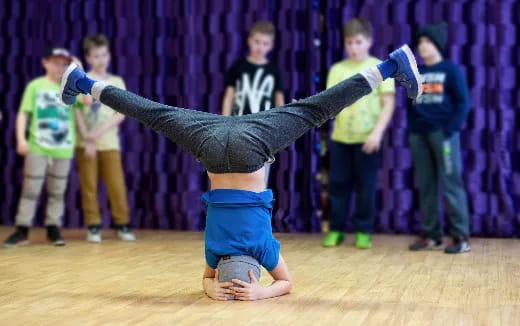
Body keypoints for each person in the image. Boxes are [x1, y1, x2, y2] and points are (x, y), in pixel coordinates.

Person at [60, 44, 421, 300]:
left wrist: (260, 293)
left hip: (251, 145)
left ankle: (390, 66)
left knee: (317, 109)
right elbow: (205, 281)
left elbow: (286, 284)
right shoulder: (213, 253)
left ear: (256, 269)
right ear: (221, 271)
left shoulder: (265, 251)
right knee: (152, 112)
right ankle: (81, 80)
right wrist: (212, 289)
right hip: (213, 143)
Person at [322, 18, 396, 249]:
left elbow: (389, 103)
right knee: (338, 185)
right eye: (349, 42)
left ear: (369, 42)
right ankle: (336, 229)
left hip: (368, 140)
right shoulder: (337, 70)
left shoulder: (379, 67)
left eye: (358, 42)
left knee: (366, 187)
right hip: (341, 139)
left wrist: (377, 134)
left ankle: (364, 230)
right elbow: (329, 102)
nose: (353, 47)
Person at [407, 23, 472, 254]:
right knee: (426, 186)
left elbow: (464, 103)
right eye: (420, 43)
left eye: (428, 42)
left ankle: (460, 236)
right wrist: (413, 130)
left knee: (451, 183)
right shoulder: (418, 73)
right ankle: (432, 234)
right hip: (419, 137)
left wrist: (448, 130)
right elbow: (411, 104)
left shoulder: (450, 70)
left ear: (438, 44)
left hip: (443, 136)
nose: (423, 47)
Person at [4, 47, 77, 248]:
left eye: (64, 63)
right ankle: (22, 229)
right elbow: (23, 114)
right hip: (38, 147)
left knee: (58, 191)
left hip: (63, 148)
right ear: (45, 62)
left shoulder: (69, 88)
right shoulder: (35, 86)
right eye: (56, 62)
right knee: (30, 189)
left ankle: (53, 228)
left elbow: (87, 103)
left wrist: (79, 72)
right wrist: (21, 139)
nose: (59, 67)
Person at [74, 34, 136, 243]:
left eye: (104, 55)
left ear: (109, 55)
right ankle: (93, 226)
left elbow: (122, 113)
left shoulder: (116, 81)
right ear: (88, 58)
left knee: (116, 185)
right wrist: (87, 137)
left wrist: (97, 134)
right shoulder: (83, 79)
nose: (101, 59)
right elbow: (79, 108)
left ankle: (122, 224)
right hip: (86, 145)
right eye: (96, 56)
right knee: (89, 186)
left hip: (109, 143)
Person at [222, 20, 285, 186]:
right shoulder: (238, 67)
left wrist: (279, 127)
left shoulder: (274, 70)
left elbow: (279, 100)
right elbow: (229, 97)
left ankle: (256, 210)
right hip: (238, 129)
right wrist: (225, 124)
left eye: (265, 43)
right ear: (249, 41)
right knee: (235, 176)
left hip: (263, 133)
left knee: (260, 180)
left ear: (271, 46)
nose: (260, 47)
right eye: (257, 42)